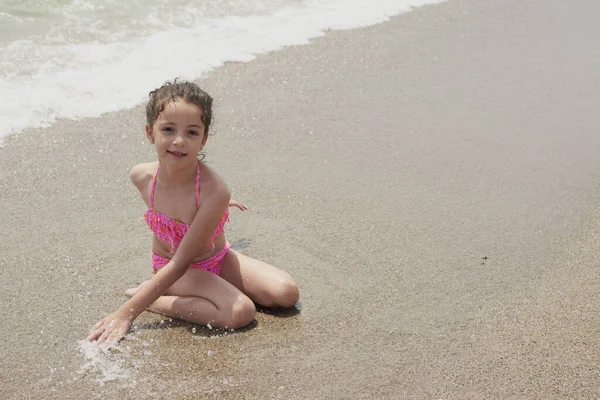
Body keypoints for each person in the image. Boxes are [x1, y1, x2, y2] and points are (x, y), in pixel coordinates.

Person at [87, 80, 299, 345]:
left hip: (217, 259)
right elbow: (178, 259)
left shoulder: (214, 190)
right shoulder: (142, 177)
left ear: (204, 139)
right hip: (174, 269)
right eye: (168, 129)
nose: (179, 141)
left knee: (287, 293)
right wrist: (125, 314)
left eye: (191, 132)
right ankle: (152, 298)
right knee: (240, 312)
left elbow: (197, 206)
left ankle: (153, 292)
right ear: (150, 132)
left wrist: (216, 207)